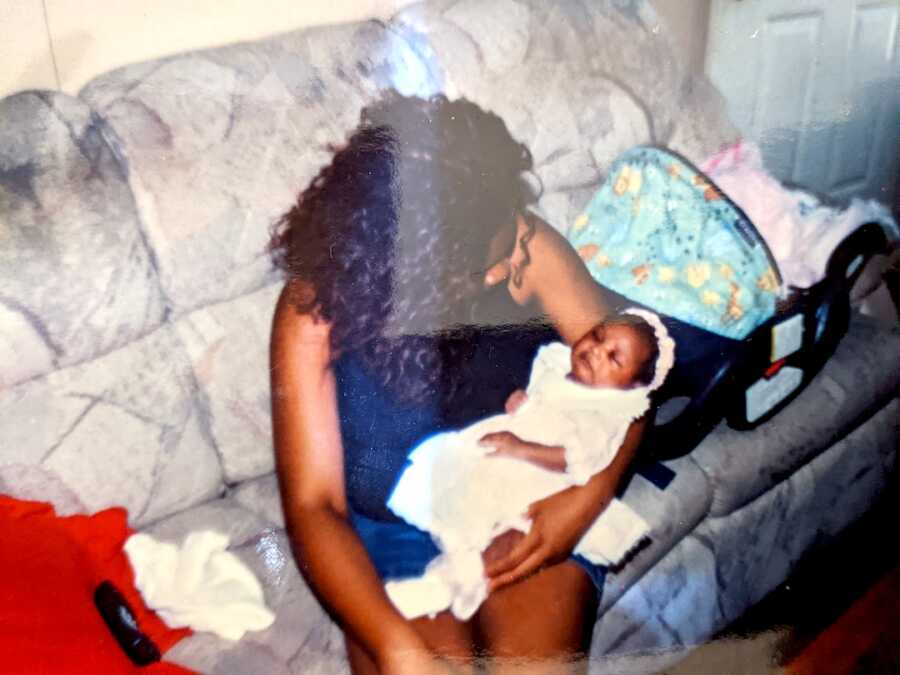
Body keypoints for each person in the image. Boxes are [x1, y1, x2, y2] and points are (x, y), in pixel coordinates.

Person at [268, 91, 650, 674]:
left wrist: (582, 504)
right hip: (392, 531)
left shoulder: (523, 247)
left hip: (520, 501)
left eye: (510, 249)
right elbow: (314, 505)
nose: (504, 271)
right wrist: (397, 647)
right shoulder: (313, 312)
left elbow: (631, 391)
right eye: (482, 268)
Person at [385, 309, 674, 622]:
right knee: (462, 503)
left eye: (614, 358)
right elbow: (544, 400)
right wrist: (525, 404)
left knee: (507, 539)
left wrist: (521, 448)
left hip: (542, 479)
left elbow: (575, 459)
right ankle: (452, 570)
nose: (596, 351)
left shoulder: (604, 415)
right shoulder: (561, 366)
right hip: (509, 457)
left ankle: (446, 585)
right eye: (597, 336)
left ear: (632, 386)